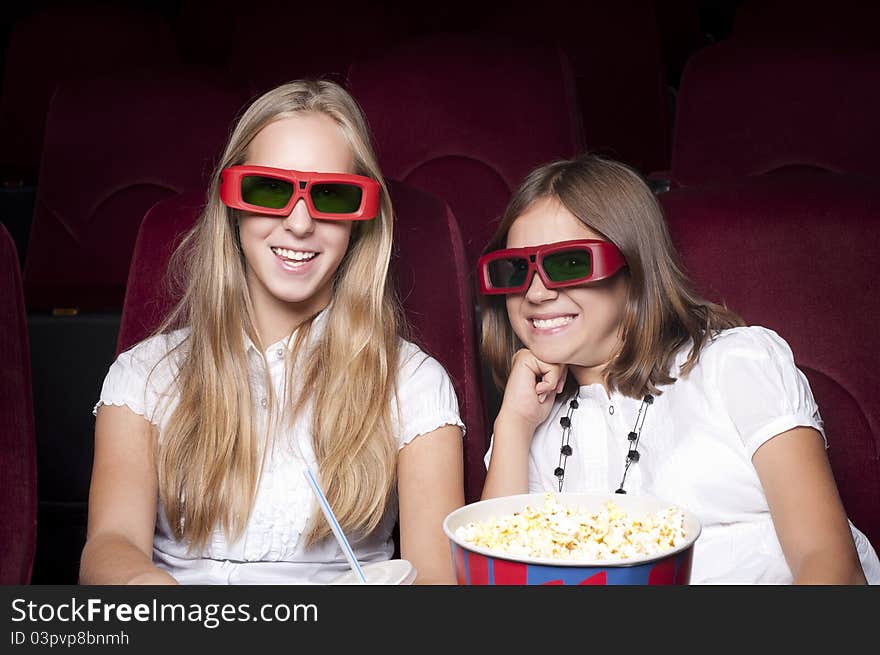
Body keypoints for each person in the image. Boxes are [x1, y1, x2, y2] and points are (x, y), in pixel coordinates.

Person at [80, 80, 465, 585]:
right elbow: (110, 543)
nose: (300, 223)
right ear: (233, 201)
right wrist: (145, 589)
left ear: (361, 218)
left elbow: (436, 581)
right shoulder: (144, 375)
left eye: (330, 195)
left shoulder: (414, 384)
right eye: (270, 188)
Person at [478, 154, 880, 584]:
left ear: (634, 268)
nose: (536, 292)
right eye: (515, 269)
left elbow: (830, 564)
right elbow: (495, 583)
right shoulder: (534, 429)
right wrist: (515, 425)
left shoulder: (736, 365)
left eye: (569, 263)